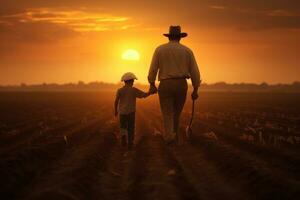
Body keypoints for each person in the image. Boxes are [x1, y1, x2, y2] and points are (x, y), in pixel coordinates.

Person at [148, 25, 201, 144]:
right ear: (180, 37)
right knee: (177, 113)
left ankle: (169, 138)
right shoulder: (187, 51)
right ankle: (175, 136)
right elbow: (195, 72)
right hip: (181, 84)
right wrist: (195, 89)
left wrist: (152, 84)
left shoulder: (159, 49)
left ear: (169, 37)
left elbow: (153, 69)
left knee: (167, 113)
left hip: (165, 84)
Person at [114, 72, 151, 150]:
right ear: (130, 81)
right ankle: (130, 143)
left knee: (123, 127)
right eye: (133, 81)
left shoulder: (120, 90)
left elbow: (116, 101)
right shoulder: (133, 90)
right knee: (131, 128)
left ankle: (123, 139)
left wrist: (116, 110)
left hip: (122, 112)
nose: (133, 82)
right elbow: (143, 95)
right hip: (131, 112)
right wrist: (150, 92)